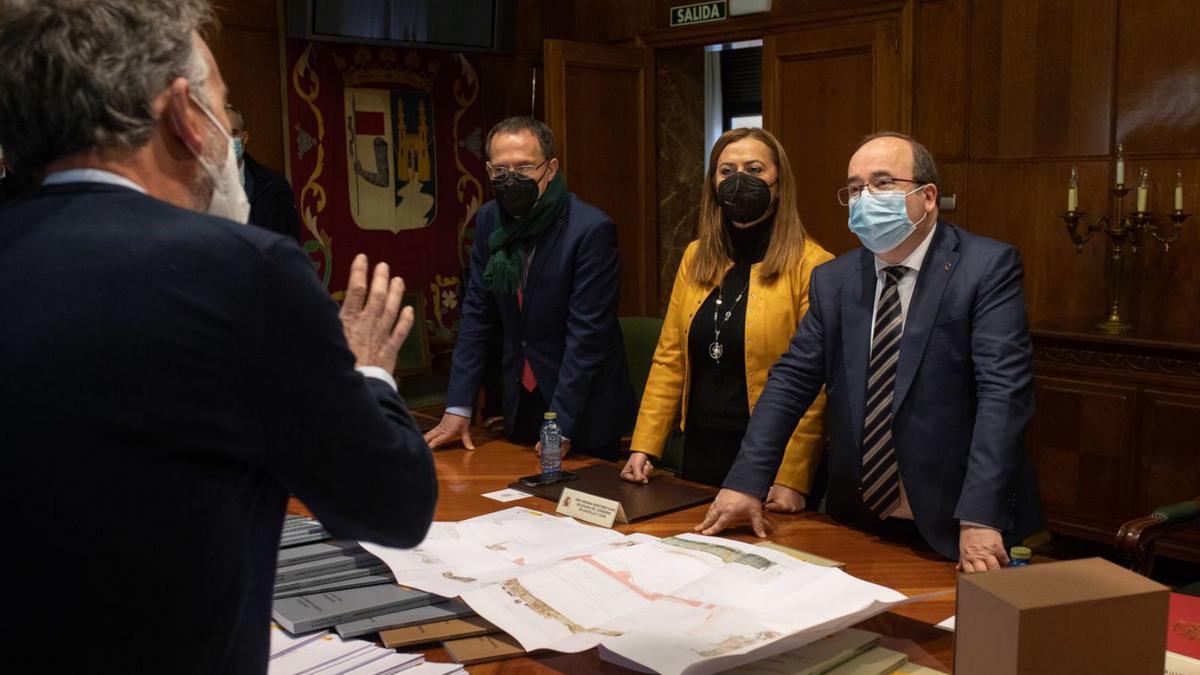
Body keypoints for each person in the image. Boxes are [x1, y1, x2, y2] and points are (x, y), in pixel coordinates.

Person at [0, 2, 437, 672]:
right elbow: (391, 505)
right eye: (223, 109)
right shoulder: (242, 270)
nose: (227, 133)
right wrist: (368, 372)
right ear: (183, 114)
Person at [698, 132, 1041, 572]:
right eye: (856, 188)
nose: (865, 197)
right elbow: (790, 382)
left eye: (882, 183)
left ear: (927, 196)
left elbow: (1003, 396)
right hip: (856, 515)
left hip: (959, 520)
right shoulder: (834, 280)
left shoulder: (986, 268)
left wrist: (979, 516)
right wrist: (746, 482)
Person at [620, 128, 832, 511]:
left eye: (754, 169)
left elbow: (814, 388)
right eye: (726, 171)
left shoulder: (813, 265)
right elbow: (670, 360)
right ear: (713, 184)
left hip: (770, 458)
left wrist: (792, 477)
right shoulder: (696, 256)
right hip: (700, 447)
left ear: (779, 185)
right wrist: (644, 446)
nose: (739, 181)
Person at [424, 116, 636, 461]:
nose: (511, 179)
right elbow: (477, 315)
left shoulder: (591, 230)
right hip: (521, 401)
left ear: (550, 169)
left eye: (523, 168)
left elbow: (588, 337)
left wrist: (560, 427)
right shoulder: (490, 220)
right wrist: (458, 407)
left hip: (582, 411)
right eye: (501, 170)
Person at [226, 103, 302, 240]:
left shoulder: (274, 187)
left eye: (232, 133)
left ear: (244, 137)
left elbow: (289, 245)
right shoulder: (190, 187)